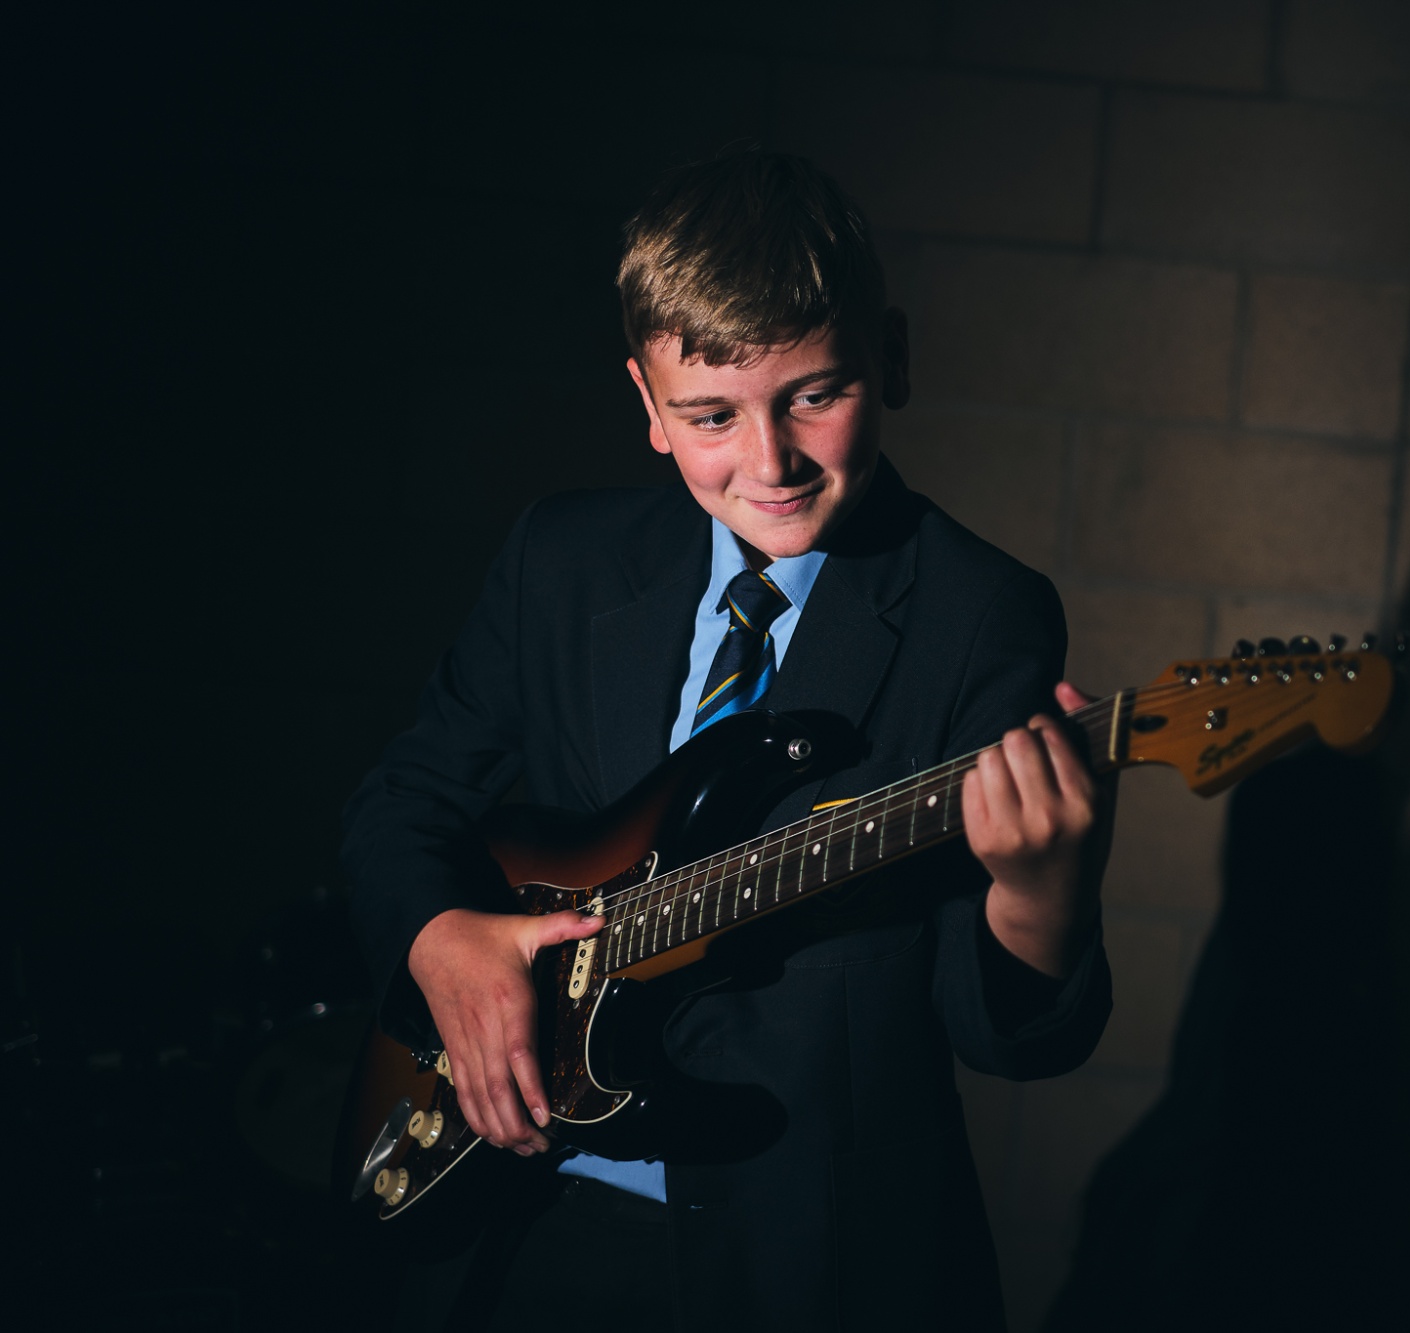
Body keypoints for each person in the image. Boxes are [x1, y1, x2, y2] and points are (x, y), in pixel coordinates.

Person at [340, 150, 1115, 1331]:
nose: (770, 462)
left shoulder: (981, 614)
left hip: (801, 1252)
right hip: (520, 1216)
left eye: (815, 394)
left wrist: (1042, 885)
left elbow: (998, 1032)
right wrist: (442, 939)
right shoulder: (562, 562)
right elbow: (402, 802)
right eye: (712, 415)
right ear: (648, 410)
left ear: (890, 358)